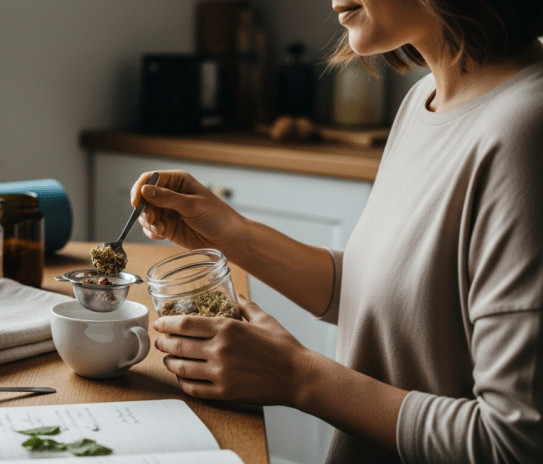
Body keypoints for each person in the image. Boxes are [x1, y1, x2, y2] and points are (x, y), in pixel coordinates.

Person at [130, 0, 543, 462]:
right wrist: (228, 231)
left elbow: (514, 443)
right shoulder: (424, 98)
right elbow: (393, 297)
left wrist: (298, 376)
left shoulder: (524, 129)